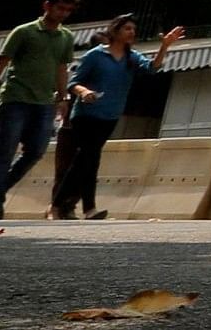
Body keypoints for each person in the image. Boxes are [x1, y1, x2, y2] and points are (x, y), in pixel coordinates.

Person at [50, 15, 184, 220]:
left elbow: (152, 68)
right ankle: (71, 206)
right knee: (88, 157)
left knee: (88, 160)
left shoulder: (132, 57)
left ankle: (76, 206)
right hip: (86, 115)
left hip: (110, 115)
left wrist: (164, 46)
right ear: (115, 31)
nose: (132, 32)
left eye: (133, 29)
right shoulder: (95, 55)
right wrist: (84, 92)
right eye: (127, 28)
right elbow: (73, 83)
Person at [0, 0, 81, 219]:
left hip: (44, 103)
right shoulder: (24, 32)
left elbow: (62, 68)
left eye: (68, 11)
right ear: (47, 6)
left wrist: (62, 98)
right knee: (5, 152)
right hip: (15, 99)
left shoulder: (66, 37)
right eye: (60, 8)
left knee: (36, 151)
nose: (63, 14)